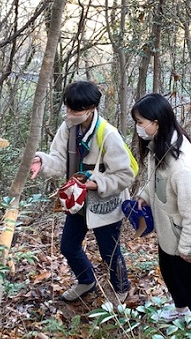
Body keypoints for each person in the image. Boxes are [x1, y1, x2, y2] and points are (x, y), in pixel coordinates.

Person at [30, 80, 135, 303]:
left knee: (109, 251)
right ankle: (86, 280)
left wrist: (97, 183)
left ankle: (121, 289)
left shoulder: (108, 134)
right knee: (68, 246)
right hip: (77, 201)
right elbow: (59, 160)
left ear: (91, 108)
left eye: (75, 109)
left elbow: (125, 175)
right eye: (67, 107)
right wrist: (42, 161)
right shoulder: (68, 127)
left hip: (105, 203)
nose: (69, 113)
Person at [131, 93, 191, 338]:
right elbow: (156, 181)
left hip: (184, 236)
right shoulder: (159, 146)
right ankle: (180, 311)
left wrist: (189, 248)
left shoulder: (182, 164)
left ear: (156, 121)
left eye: (141, 122)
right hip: (168, 232)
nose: (138, 128)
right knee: (170, 273)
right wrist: (144, 196)